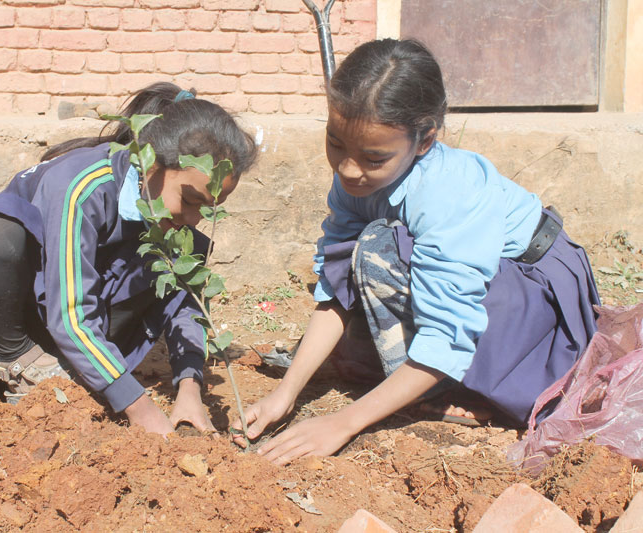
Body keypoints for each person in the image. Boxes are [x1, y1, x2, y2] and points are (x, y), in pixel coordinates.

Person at [232, 39, 599, 465]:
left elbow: (448, 333)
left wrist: (341, 423)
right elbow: (338, 283)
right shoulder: (355, 177)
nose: (349, 169)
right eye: (336, 144)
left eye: (373, 158)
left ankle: (455, 389)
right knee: (366, 256)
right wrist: (285, 393)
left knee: (376, 250)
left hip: (528, 293)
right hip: (471, 281)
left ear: (424, 140)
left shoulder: (447, 192)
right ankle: (428, 381)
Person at [0, 82, 257, 436]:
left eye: (209, 208)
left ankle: (71, 368)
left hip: (80, 325)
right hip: (27, 311)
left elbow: (184, 308)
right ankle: (17, 361)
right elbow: (69, 311)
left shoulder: (175, 223)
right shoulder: (83, 187)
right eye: (191, 200)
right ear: (149, 164)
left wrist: (189, 389)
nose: (195, 218)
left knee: (182, 253)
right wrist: (139, 407)